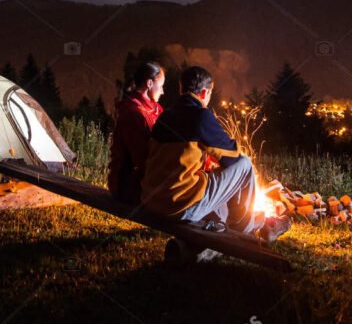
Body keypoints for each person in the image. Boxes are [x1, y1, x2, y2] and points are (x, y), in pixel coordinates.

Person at [141, 65, 290, 242]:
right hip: (180, 207)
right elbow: (233, 155)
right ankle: (245, 228)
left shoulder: (165, 116)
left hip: (152, 202)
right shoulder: (200, 115)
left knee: (216, 186)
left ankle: (238, 221)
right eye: (210, 94)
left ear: (182, 89)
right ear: (204, 93)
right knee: (244, 164)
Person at [107, 62, 165, 205]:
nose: (163, 91)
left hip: (145, 180)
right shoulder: (132, 113)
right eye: (161, 85)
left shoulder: (155, 109)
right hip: (128, 186)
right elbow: (142, 158)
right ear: (150, 83)